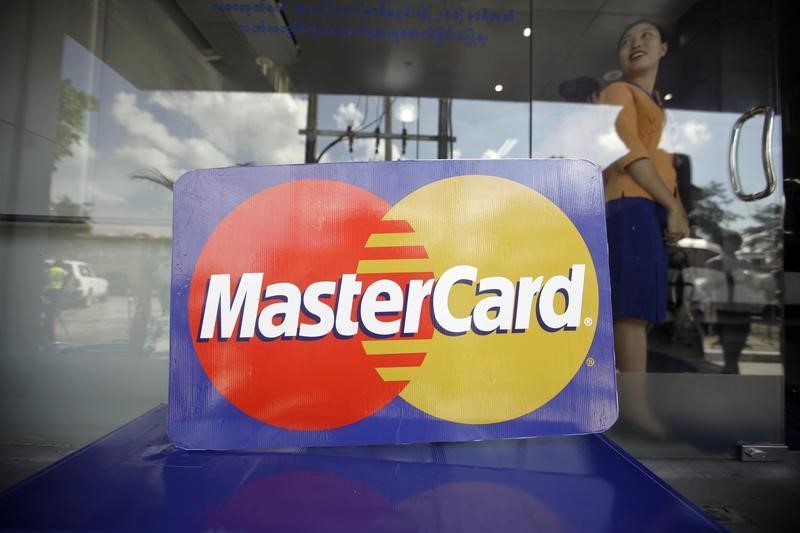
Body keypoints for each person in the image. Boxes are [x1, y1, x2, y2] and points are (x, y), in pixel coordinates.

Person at [598, 20, 690, 372]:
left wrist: (671, 207)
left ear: (664, 47)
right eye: (626, 41)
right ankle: (633, 406)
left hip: (646, 207)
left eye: (646, 36)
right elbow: (632, 153)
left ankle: (631, 401)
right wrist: (674, 206)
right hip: (629, 204)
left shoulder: (655, 106)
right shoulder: (619, 92)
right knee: (631, 310)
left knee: (641, 305)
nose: (635, 43)